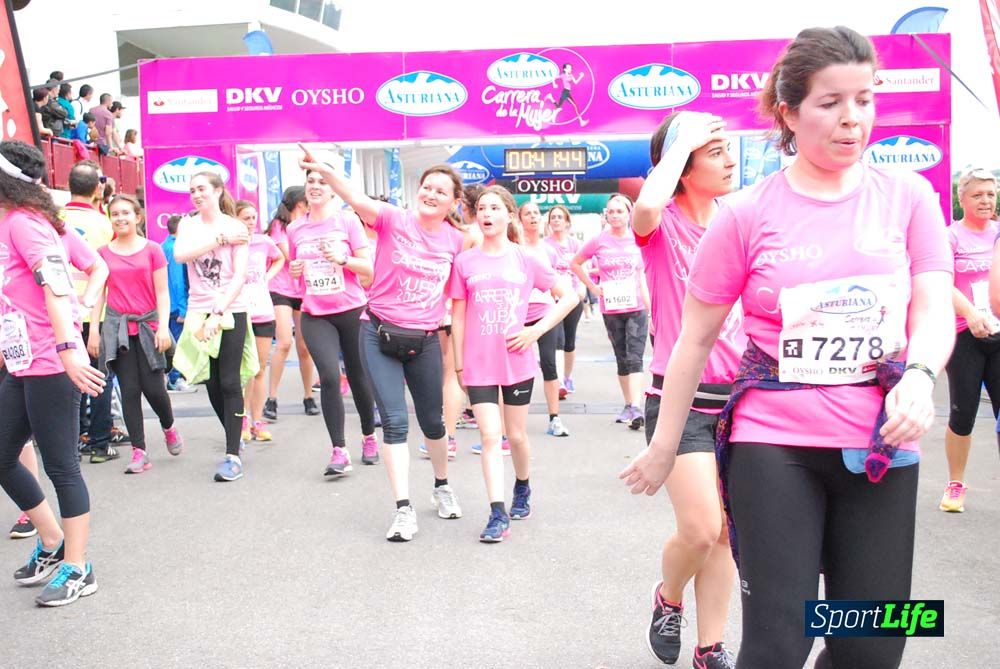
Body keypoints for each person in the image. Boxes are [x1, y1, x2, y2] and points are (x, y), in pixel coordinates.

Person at [620, 26, 954, 669]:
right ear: (789, 110)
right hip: (773, 447)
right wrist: (663, 447)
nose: (851, 119)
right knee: (780, 640)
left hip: (882, 443)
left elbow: (933, 306)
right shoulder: (746, 213)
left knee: (874, 647)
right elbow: (693, 338)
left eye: (864, 99)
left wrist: (918, 375)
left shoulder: (909, 196)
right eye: (830, 102)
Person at [299, 148, 471, 542]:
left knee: (433, 423)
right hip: (378, 333)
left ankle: (442, 484)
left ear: (452, 202)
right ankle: (404, 509)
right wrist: (323, 169)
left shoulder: (456, 242)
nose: (430, 194)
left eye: (440, 191)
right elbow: (353, 196)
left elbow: (465, 293)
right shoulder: (394, 219)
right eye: (426, 187)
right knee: (394, 421)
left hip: (426, 339)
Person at [629, 110, 745, 668]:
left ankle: (710, 647)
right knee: (700, 528)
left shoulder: (739, 219)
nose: (729, 159)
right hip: (679, 403)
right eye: (714, 151)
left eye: (728, 148)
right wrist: (681, 143)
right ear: (683, 165)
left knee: (726, 536)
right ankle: (668, 597)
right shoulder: (663, 224)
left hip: (744, 400)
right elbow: (646, 206)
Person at [0, 140, 105, 606]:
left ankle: (78, 568)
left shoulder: (26, 224)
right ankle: (51, 541)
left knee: (62, 466)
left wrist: (70, 345)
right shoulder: (9, 223)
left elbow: (58, 285)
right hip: (21, 360)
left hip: (51, 359)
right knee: (2, 456)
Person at [451, 186, 577, 542]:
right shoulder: (465, 262)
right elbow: (458, 316)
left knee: (517, 435)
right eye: (481, 209)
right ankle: (496, 513)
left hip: (517, 360)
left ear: (509, 215)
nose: (487, 214)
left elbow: (569, 296)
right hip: (478, 364)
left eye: (495, 208)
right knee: (491, 437)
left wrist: (535, 331)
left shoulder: (526, 258)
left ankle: (522, 486)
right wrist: (459, 365)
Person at [286, 170, 379, 475]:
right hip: (315, 313)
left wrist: (342, 259)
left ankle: (368, 435)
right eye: (310, 182)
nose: (315, 187)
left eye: (322, 183)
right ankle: (339, 450)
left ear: (334, 191)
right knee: (327, 376)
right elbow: (293, 271)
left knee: (358, 375)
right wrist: (295, 270)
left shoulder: (347, 221)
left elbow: (368, 269)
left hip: (351, 309)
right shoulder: (295, 228)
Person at [90, 195, 183, 474]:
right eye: (115, 214)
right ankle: (139, 451)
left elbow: (162, 292)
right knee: (129, 390)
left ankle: (169, 427)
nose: (120, 218)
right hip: (117, 328)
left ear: (138, 217)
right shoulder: (102, 253)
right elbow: (99, 296)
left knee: (154, 388)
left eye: (126, 213)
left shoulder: (153, 249)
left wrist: (164, 326)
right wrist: (94, 330)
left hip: (148, 326)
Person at [173, 172, 256, 482]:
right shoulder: (188, 224)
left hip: (230, 308)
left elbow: (239, 275)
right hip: (198, 309)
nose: (196, 194)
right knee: (211, 380)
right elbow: (181, 254)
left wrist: (219, 310)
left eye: (202, 189)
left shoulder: (235, 226)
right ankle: (235, 432)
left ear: (218, 191)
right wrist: (218, 241)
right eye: (192, 190)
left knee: (230, 381)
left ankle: (232, 454)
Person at [943, 168, 1000, 512]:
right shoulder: (950, 237)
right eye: (978, 194)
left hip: (999, 333)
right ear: (962, 198)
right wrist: (971, 315)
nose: (985, 201)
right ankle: (955, 484)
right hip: (964, 335)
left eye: (991, 194)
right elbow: (942, 281)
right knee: (962, 413)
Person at [572, 194, 650, 429]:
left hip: (635, 306)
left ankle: (636, 406)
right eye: (611, 211)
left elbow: (643, 275)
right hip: (611, 307)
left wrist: (651, 308)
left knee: (636, 357)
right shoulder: (598, 240)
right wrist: (593, 287)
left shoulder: (639, 239)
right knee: (622, 358)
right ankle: (628, 404)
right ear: (606, 215)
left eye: (620, 211)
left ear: (629, 214)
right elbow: (575, 263)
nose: (615, 215)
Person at [62, 161, 119, 463]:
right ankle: (98, 441)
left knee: (66, 379)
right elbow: (106, 274)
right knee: (99, 377)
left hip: (60, 313)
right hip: (95, 312)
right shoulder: (104, 224)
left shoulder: (52, 218)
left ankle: (74, 438)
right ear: (98, 189)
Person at [263, 186, 319, 421]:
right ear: (300, 203)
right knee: (284, 342)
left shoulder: (310, 224)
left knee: (304, 347)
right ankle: (272, 398)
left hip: (304, 290)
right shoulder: (279, 226)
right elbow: (290, 255)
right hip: (281, 289)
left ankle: (308, 396)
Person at [518, 201, 570, 437]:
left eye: (536, 213)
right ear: (519, 220)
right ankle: (512, 423)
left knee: (549, 364)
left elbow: (558, 283)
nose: (532, 217)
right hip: (519, 314)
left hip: (545, 313)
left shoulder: (549, 249)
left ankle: (554, 418)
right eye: (527, 214)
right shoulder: (514, 248)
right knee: (516, 369)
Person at [234, 200, 282, 443]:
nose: (251, 222)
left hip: (263, 311)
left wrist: (267, 278)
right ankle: (241, 420)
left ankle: (258, 421)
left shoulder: (264, 241)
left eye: (253, 217)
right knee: (244, 371)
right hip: (239, 311)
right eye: (245, 218)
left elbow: (280, 258)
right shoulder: (231, 243)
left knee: (260, 369)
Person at [544, 205, 585, 398]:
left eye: (560, 217)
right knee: (557, 340)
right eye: (553, 217)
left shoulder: (575, 244)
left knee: (569, 342)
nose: (557, 220)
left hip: (574, 297)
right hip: (554, 299)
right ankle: (559, 381)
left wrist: (582, 289)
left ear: (567, 222)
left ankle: (568, 376)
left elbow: (581, 268)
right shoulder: (545, 245)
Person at [162, 214, 194, 393]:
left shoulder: (164, 246)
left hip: (168, 304)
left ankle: (173, 377)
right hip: (176, 307)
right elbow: (177, 281)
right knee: (178, 345)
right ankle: (175, 379)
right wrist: (183, 309)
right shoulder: (175, 249)